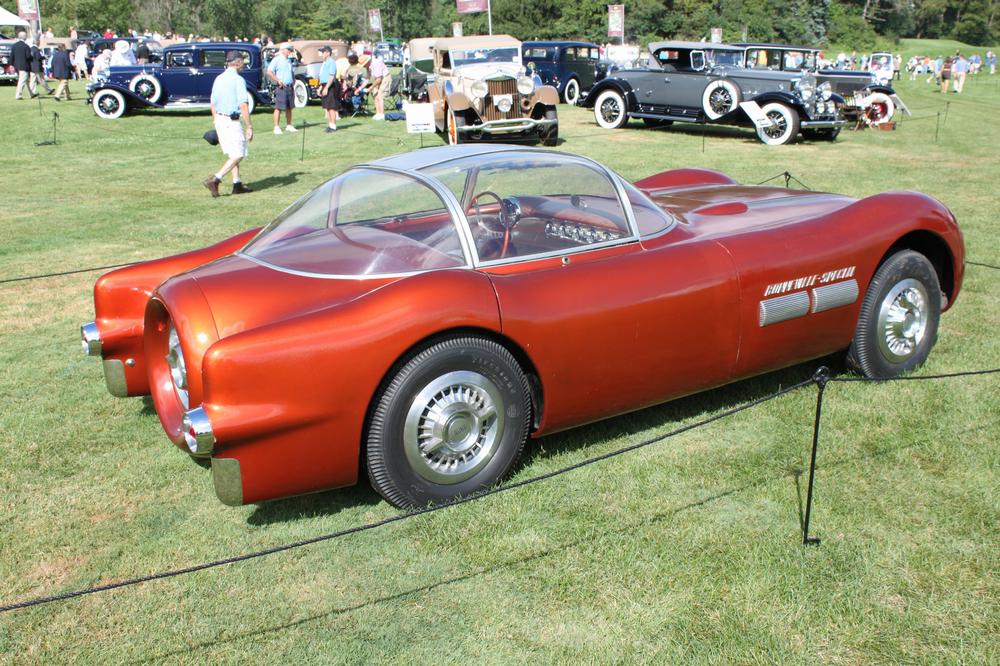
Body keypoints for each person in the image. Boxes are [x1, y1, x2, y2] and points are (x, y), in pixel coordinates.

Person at [204, 50, 253, 197]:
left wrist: (216, 119)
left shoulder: (218, 78)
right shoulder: (238, 80)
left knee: (232, 152)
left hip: (219, 118)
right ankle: (215, 179)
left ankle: (237, 184)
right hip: (231, 121)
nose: (243, 63)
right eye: (242, 61)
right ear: (237, 62)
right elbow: (243, 105)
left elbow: (212, 102)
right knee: (239, 153)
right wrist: (249, 126)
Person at [265, 42, 297, 134]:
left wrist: (293, 79)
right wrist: (278, 80)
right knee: (278, 107)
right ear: (283, 50)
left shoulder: (289, 60)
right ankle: (276, 127)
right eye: (289, 49)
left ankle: (289, 125)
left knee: (289, 107)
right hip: (281, 86)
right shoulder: (277, 60)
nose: (290, 51)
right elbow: (269, 71)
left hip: (289, 86)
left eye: (290, 50)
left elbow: (291, 72)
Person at [317, 45, 340, 132]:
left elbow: (331, 76)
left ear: (328, 53)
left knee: (331, 107)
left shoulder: (331, 62)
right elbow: (322, 76)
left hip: (330, 86)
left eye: (323, 52)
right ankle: (330, 125)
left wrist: (326, 87)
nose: (321, 53)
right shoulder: (324, 63)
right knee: (327, 106)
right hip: (324, 85)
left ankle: (333, 126)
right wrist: (320, 87)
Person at [367, 50, 390, 120]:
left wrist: (371, 87)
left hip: (385, 77)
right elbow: (368, 77)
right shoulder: (368, 66)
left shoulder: (376, 63)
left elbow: (379, 79)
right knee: (375, 95)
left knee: (380, 95)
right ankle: (378, 113)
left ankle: (382, 114)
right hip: (378, 78)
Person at [12, 31, 35, 99]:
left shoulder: (14, 45)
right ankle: (18, 95)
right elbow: (28, 56)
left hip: (16, 66)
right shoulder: (26, 46)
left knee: (26, 80)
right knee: (22, 81)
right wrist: (32, 56)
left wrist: (11, 64)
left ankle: (31, 93)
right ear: (24, 37)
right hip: (24, 66)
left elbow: (12, 56)